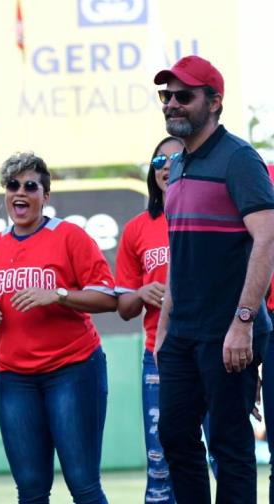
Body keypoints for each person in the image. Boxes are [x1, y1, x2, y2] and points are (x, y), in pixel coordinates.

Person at [152, 55, 274, 503]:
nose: (172, 105)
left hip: (229, 332)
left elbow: (268, 241)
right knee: (175, 438)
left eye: (184, 96)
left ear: (215, 102)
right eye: (167, 97)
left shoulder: (239, 158)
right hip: (183, 332)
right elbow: (180, 255)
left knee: (230, 446)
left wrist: (242, 322)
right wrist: (165, 329)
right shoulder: (178, 165)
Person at [0, 152, 117, 504]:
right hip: (15, 378)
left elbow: (108, 297)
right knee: (31, 490)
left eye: (30, 185)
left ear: (45, 196)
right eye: (12, 185)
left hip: (72, 370)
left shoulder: (69, 236)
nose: (20, 192)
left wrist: (59, 295)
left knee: (83, 483)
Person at [115, 136, 186, 503]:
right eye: (159, 158)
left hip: (209, 350)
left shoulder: (210, 217)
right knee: (160, 463)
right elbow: (124, 307)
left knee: (221, 456)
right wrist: (141, 293)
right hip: (158, 355)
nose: (166, 166)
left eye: (177, 158)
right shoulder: (137, 229)